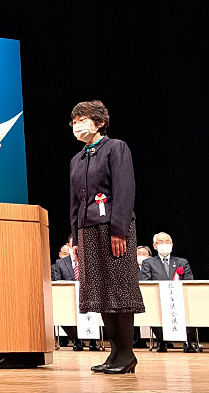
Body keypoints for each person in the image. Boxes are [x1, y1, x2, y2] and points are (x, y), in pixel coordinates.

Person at [68, 100, 143, 374]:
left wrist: (119, 229)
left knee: (118, 288)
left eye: (82, 119)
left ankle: (127, 353)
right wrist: (75, 239)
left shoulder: (116, 148)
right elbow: (75, 203)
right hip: (88, 231)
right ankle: (115, 352)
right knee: (101, 291)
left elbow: (125, 189)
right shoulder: (77, 159)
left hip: (113, 229)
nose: (77, 125)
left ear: (99, 123)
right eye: (74, 121)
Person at [140, 232, 197, 352]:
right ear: (155, 246)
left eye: (167, 242)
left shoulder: (182, 262)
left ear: (172, 245)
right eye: (161, 242)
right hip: (158, 297)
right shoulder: (148, 263)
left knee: (189, 310)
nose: (164, 244)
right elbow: (146, 281)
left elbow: (188, 281)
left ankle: (188, 342)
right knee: (155, 313)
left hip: (180, 297)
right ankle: (162, 342)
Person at [51, 242, 100, 351]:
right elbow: (58, 281)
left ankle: (93, 341)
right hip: (69, 298)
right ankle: (76, 340)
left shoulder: (91, 260)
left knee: (93, 313)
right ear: (69, 245)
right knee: (66, 313)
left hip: (89, 295)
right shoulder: (60, 263)